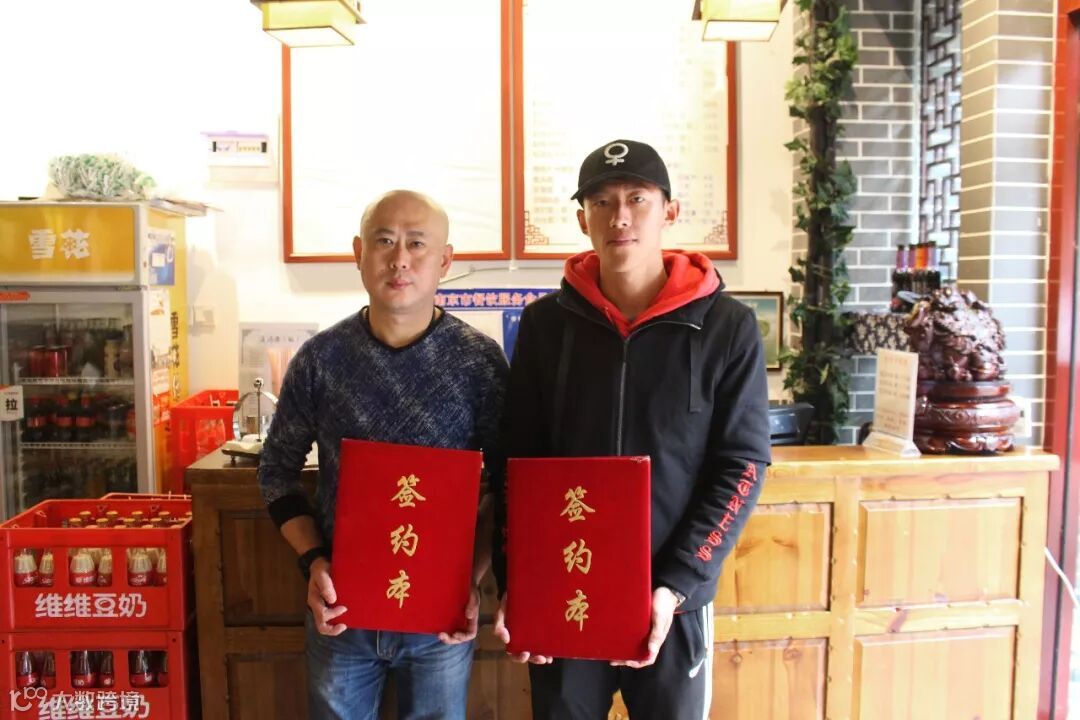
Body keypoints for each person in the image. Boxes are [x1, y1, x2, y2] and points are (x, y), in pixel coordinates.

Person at [492, 140, 771, 719]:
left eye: (637, 199)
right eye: (601, 202)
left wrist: (677, 582)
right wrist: (517, 579)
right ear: (582, 219)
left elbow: (742, 465)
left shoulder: (727, 327)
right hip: (567, 590)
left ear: (670, 211)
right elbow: (516, 461)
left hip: (673, 601)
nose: (619, 216)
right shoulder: (545, 326)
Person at [258, 189, 508, 720]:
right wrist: (313, 561)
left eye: (417, 244)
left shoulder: (479, 363)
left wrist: (471, 576)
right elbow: (276, 471)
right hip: (342, 610)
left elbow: (505, 484)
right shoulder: (321, 360)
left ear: (445, 261)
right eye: (384, 241)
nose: (400, 260)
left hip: (440, 617)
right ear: (358, 252)